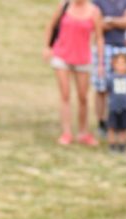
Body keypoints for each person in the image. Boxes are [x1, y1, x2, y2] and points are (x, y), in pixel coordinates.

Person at [44, 0, 104, 146]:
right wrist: (47, 47)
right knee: (65, 95)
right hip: (62, 55)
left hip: (83, 58)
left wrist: (101, 63)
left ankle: (83, 132)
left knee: (83, 97)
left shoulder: (94, 11)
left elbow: (99, 37)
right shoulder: (64, 6)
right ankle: (67, 133)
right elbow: (51, 26)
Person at [91, 0, 126, 139]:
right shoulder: (98, 1)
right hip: (103, 47)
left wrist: (109, 20)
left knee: (121, 88)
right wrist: (119, 22)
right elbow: (97, 25)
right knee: (101, 87)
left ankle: (118, 122)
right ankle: (102, 122)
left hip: (122, 48)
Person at [106, 52, 126, 153]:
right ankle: (112, 146)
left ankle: (122, 146)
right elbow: (108, 90)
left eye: (123, 63)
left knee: (123, 128)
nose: (121, 66)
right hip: (113, 107)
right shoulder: (110, 78)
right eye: (118, 63)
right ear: (114, 65)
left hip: (125, 107)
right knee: (112, 127)